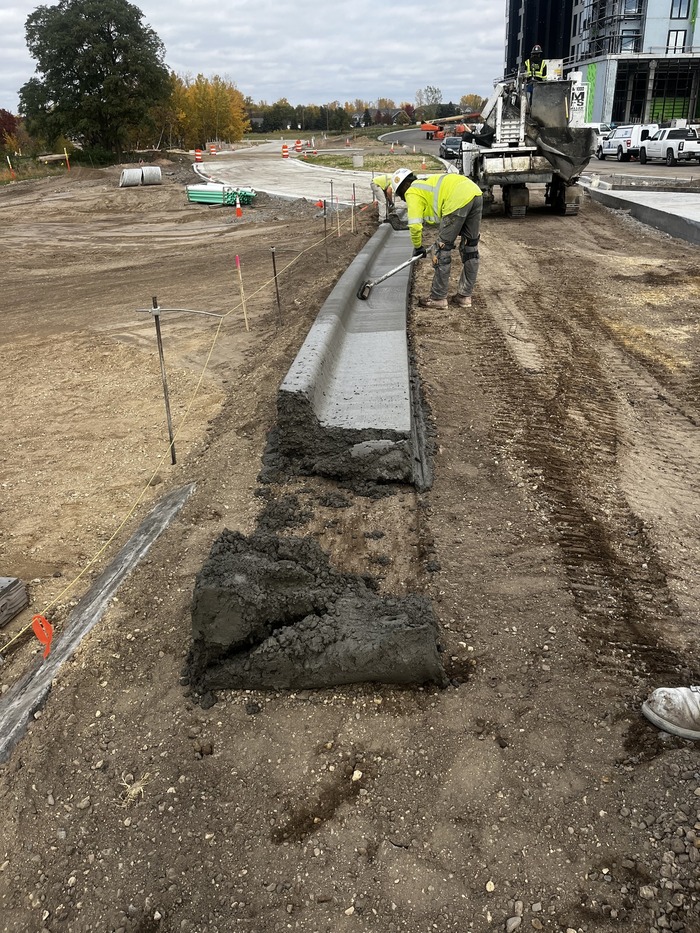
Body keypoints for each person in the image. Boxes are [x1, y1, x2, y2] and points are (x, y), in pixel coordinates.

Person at [390, 167, 483, 310]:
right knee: (470, 247)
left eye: (400, 195)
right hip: (475, 192)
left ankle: (438, 298)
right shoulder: (426, 184)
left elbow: (415, 225)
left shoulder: (412, 191)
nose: (403, 198)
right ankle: (465, 297)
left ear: (403, 188)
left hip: (457, 199)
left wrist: (418, 246)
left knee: (441, 249)